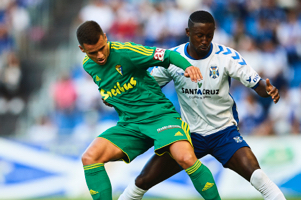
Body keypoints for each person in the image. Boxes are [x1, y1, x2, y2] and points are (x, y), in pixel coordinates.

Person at [116, 11, 286, 200]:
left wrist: (268, 88)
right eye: (199, 35)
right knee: (142, 181)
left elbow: (258, 85)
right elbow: (147, 87)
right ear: (188, 32)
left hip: (224, 133)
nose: (205, 40)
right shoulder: (172, 58)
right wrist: (119, 95)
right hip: (189, 136)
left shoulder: (227, 57)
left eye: (209, 35)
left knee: (259, 177)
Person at [77, 20, 221, 200]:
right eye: (93, 52)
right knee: (90, 157)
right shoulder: (87, 65)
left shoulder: (126, 52)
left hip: (159, 116)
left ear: (105, 37)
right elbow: (110, 84)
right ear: (82, 49)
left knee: (185, 158)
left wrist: (188, 67)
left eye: (101, 48)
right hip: (130, 125)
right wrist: (109, 98)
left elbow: (166, 55)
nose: (99, 55)